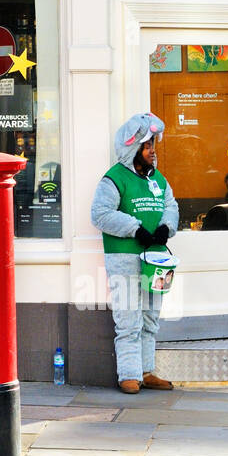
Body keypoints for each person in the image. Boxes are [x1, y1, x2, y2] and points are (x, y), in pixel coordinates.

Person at [89, 112, 179, 395]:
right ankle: (128, 374)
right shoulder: (114, 178)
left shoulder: (158, 179)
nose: (153, 151)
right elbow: (100, 214)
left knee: (151, 316)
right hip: (124, 256)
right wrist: (135, 229)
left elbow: (171, 206)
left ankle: (146, 370)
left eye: (154, 145)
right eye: (147, 146)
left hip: (156, 259)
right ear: (133, 147)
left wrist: (166, 227)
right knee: (129, 318)